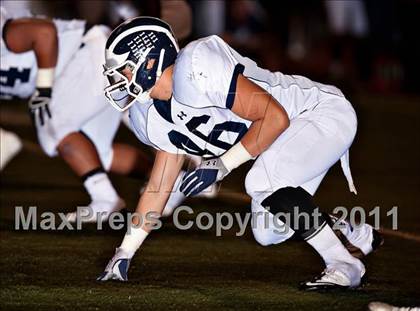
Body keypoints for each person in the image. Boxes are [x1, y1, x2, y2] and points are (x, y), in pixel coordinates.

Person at [97, 17, 382, 290]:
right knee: (269, 231)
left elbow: (274, 118)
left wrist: (221, 165)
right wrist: (125, 252)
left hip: (320, 113)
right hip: (284, 137)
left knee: (261, 181)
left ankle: (345, 265)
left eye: (124, 69)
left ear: (150, 61)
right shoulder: (148, 116)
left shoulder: (195, 67)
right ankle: (349, 232)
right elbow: (159, 187)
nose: (119, 79)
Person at [0, 7, 154, 221]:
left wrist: (43, 89)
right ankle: (170, 180)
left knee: (54, 125)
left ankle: (105, 199)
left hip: (88, 53)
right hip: (81, 65)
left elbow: (43, 33)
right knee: (95, 152)